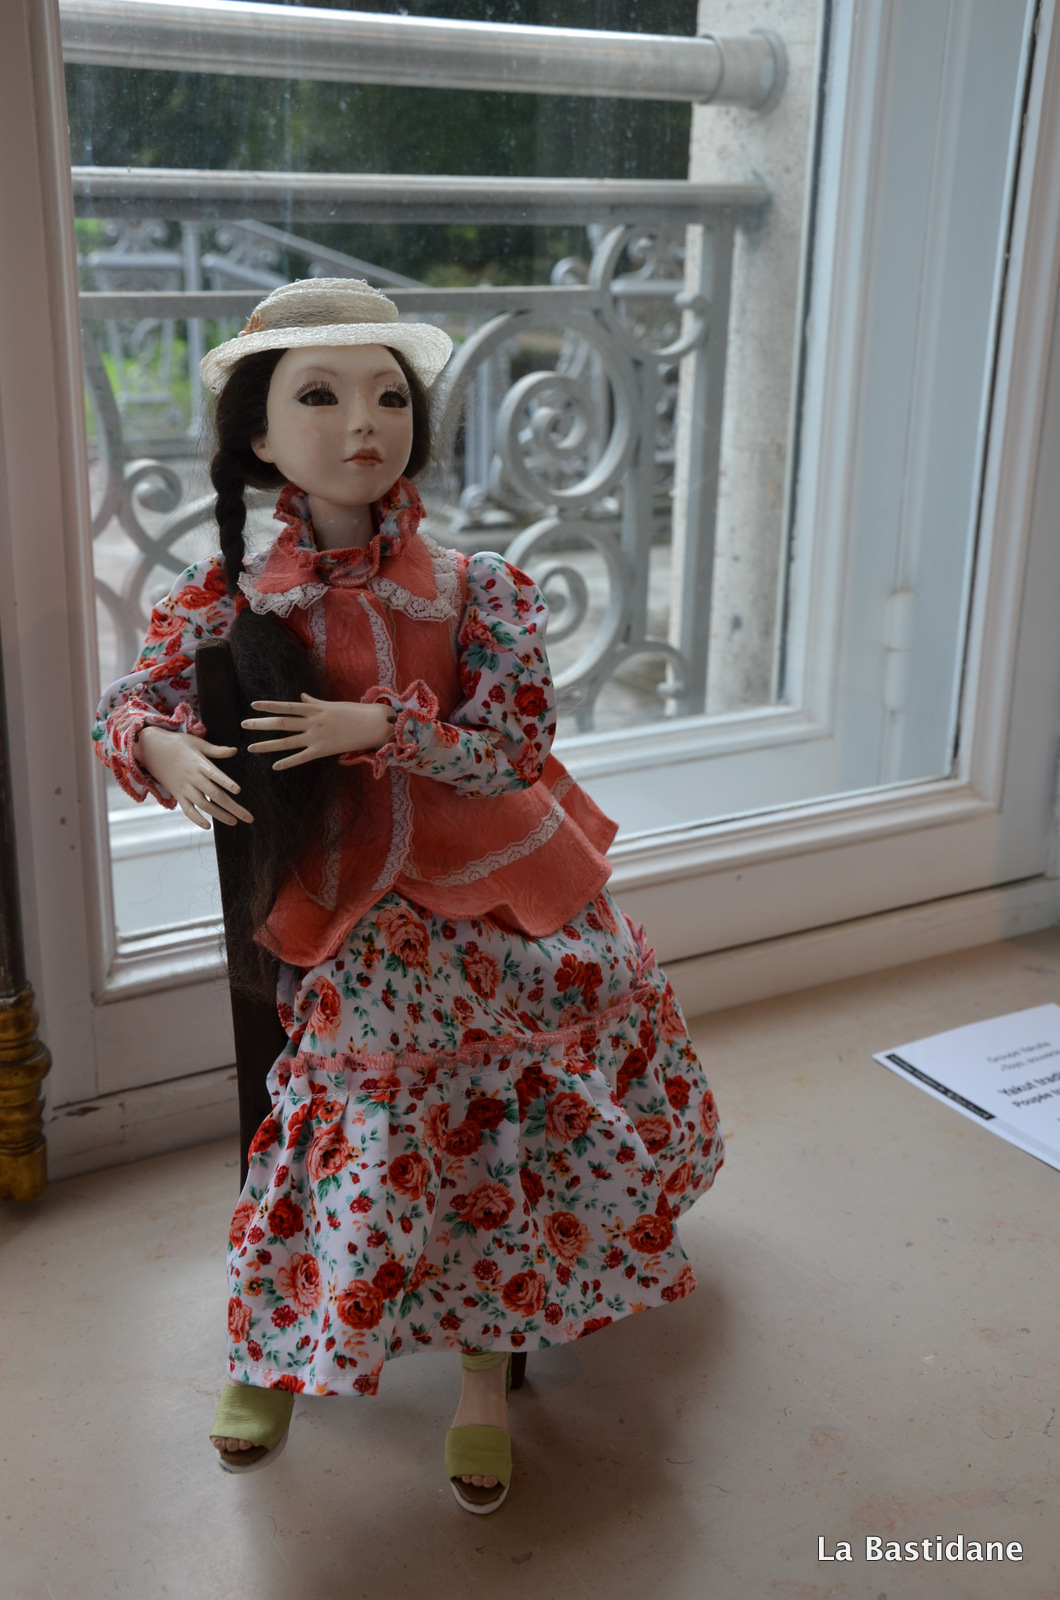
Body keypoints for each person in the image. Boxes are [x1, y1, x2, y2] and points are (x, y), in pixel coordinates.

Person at [92, 279, 724, 1514]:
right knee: (372, 1081)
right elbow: (134, 698)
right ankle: (279, 1340)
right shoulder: (235, 596)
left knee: (513, 1062)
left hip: (502, 885)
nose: (362, 423)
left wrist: (380, 727)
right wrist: (159, 743)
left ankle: (484, 1370)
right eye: (320, 397)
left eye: (388, 397)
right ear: (259, 433)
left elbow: (514, 745)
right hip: (354, 905)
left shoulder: (478, 585)